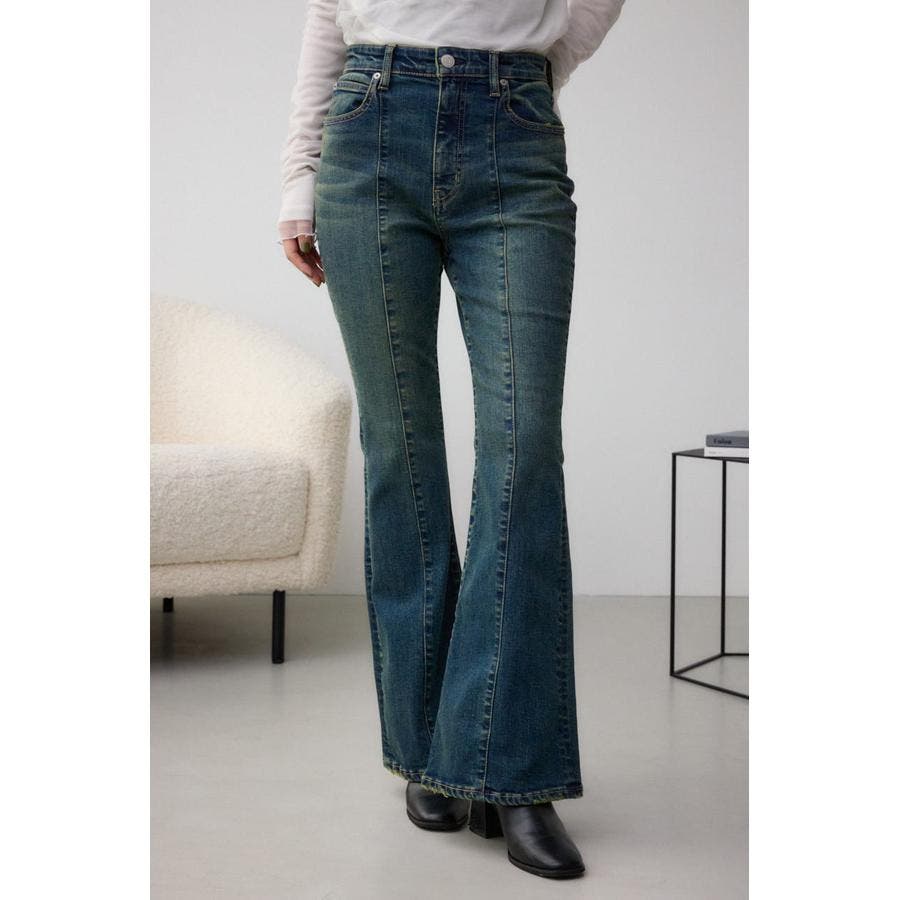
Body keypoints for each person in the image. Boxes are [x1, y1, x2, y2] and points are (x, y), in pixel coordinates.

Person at [278, 0, 625, 880]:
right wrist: (298, 177)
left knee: (523, 449)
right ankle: (429, 751)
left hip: (513, 133)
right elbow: (327, 10)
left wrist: (530, 66)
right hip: (367, 133)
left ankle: (511, 773)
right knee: (399, 453)